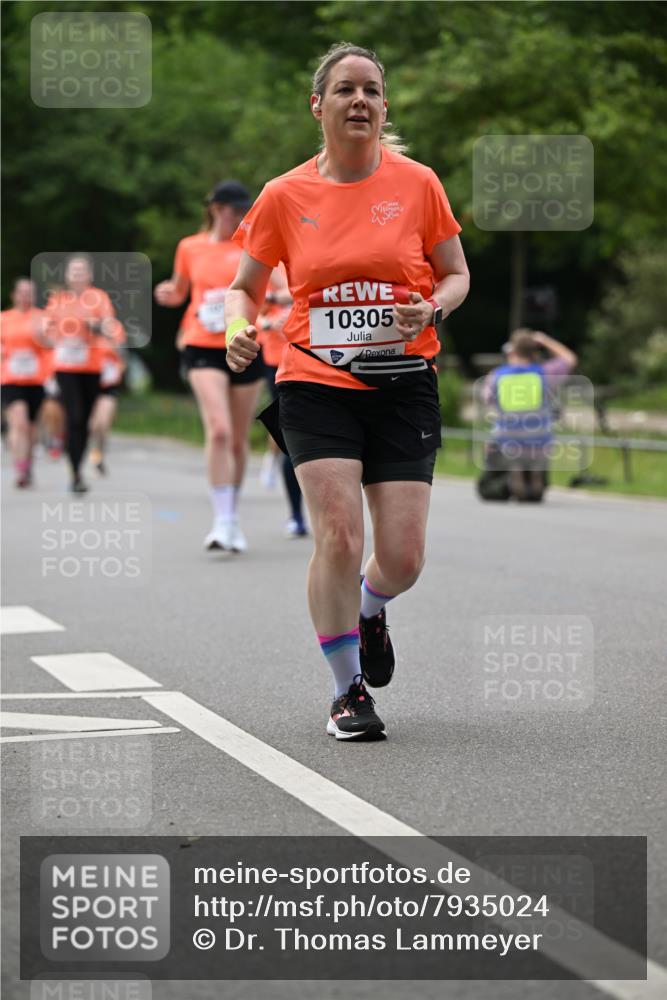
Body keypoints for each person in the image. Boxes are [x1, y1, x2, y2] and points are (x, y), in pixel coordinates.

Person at [225, 43, 469, 740]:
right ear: (318, 105)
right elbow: (243, 288)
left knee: (403, 557)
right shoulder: (284, 194)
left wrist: (433, 309)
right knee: (337, 534)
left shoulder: (418, 184)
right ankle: (346, 692)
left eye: (371, 90)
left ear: (384, 107)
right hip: (315, 380)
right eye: (344, 89)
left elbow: (455, 274)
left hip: (403, 384)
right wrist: (238, 330)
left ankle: (370, 608)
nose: (359, 99)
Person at [154, 181, 288, 553]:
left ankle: (232, 516)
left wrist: (267, 298)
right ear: (215, 209)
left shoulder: (253, 245)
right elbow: (180, 292)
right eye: (234, 210)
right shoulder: (190, 247)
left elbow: (289, 289)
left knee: (239, 438)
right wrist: (167, 294)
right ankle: (221, 521)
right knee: (219, 431)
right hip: (202, 344)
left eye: (245, 210)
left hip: (245, 344)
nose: (241, 216)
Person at [44, 254, 121, 492]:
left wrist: (93, 324)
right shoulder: (58, 300)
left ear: (89, 275)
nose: (77, 276)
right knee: (74, 417)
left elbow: (109, 326)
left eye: (82, 271)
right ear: (67, 276)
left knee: (85, 419)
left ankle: (79, 463)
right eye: (73, 271)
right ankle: (75, 472)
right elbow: (47, 331)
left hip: (91, 367)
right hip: (65, 367)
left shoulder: (99, 298)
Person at [480, 329, 577, 502]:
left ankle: (515, 472)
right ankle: (535, 475)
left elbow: (487, 400)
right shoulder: (544, 374)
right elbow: (569, 359)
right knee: (538, 447)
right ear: (533, 352)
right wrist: (545, 340)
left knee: (498, 438)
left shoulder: (496, 376)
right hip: (539, 440)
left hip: (508, 439)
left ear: (512, 351)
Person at [258, 288, 308, 537]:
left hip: (314, 361)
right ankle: (296, 515)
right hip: (276, 361)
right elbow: (251, 309)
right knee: (290, 437)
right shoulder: (267, 272)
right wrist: (268, 322)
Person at [0, 278, 50, 487]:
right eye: (22, 292)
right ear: (14, 295)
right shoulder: (4, 319)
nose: (25, 296)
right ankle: (19, 468)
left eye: (29, 293)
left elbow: (54, 346)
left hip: (36, 380)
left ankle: (27, 465)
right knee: (18, 423)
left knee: (30, 428)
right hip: (10, 379)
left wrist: (43, 338)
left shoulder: (42, 318)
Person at [88, 328, 126, 475]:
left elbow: (122, 357)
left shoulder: (115, 329)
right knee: (93, 426)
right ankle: (93, 454)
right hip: (89, 383)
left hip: (109, 386)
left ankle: (99, 458)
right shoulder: (83, 327)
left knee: (103, 424)